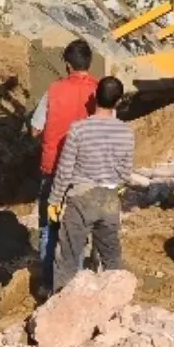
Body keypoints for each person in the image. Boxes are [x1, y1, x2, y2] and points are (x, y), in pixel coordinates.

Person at [46, 76, 135, 294]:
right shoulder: (126, 132)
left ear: (95, 96)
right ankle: (114, 304)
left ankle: (60, 305)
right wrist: (118, 185)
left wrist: (54, 200)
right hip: (109, 200)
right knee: (110, 256)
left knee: (68, 256)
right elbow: (125, 171)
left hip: (80, 199)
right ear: (119, 101)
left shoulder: (78, 129)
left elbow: (65, 170)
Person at [28, 39, 98, 292]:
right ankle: (72, 286)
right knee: (77, 230)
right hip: (86, 176)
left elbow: (36, 129)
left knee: (50, 227)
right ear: (88, 64)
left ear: (67, 65)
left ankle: (49, 284)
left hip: (55, 171)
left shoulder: (54, 91)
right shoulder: (100, 92)